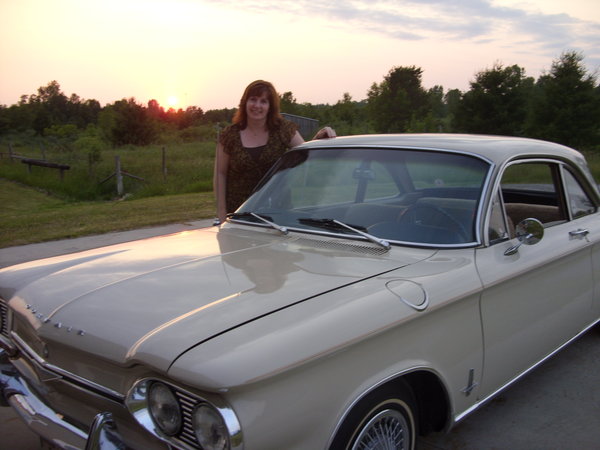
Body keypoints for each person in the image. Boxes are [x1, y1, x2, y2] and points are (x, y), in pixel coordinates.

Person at [213, 80, 336, 223]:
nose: (257, 106)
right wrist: (222, 212)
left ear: (270, 107)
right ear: (244, 102)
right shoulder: (229, 135)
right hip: (238, 214)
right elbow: (220, 174)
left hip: (278, 213)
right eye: (253, 99)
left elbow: (305, 153)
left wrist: (318, 138)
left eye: (263, 101)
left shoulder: (282, 129)